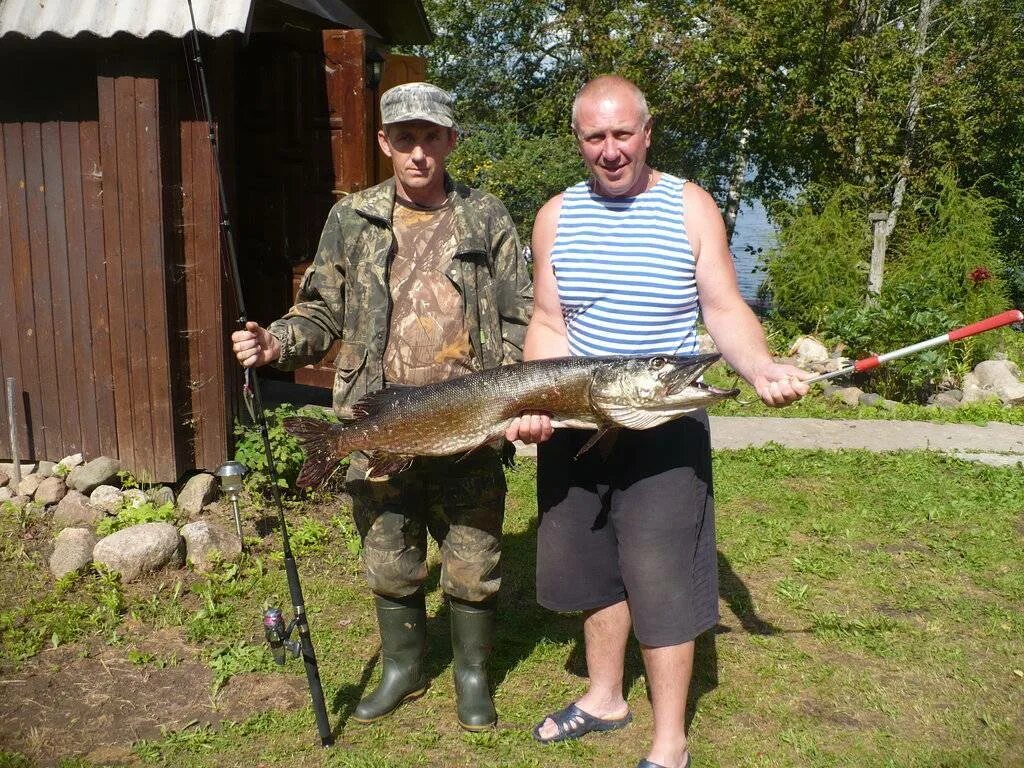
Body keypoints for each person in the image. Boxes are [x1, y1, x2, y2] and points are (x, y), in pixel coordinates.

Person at [506, 75, 809, 768]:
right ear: (578, 141)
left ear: (646, 133)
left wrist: (759, 367)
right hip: (581, 421)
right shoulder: (555, 215)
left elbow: (724, 307)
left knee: (662, 573)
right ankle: (604, 696)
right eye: (594, 138)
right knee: (591, 565)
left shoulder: (689, 206)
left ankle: (670, 741)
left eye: (622, 135)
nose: (609, 151)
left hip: (663, 423)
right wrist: (533, 402)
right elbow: (550, 322)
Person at [232, 82, 532, 731]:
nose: (418, 152)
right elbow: (320, 309)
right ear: (383, 143)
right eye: (404, 139)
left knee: (474, 557)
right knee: (390, 554)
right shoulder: (354, 217)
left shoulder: (487, 217)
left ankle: (473, 674)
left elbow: (521, 315)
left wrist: (503, 391)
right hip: (376, 420)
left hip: (467, 422)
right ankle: (403, 666)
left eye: (431, 138)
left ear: (452, 140)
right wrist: (274, 341)